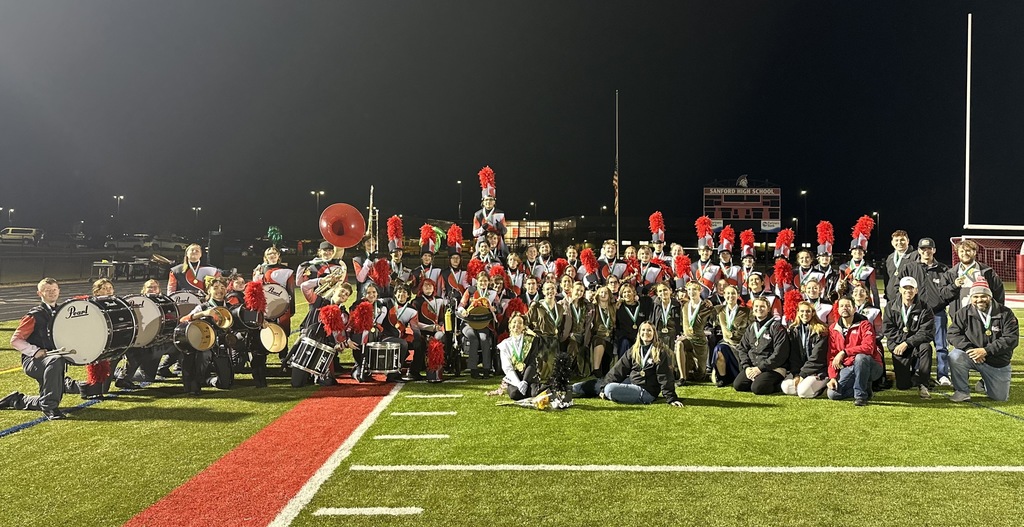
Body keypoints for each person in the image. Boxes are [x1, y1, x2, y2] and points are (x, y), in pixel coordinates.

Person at [3, 278, 100, 419]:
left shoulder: (63, 312)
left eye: (54, 289)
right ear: (39, 293)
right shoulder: (34, 315)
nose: (52, 293)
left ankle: (17, 400)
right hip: (34, 361)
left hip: (54, 362)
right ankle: (50, 409)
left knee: (52, 394)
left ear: (59, 291)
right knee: (55, 362)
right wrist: (35, 351)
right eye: (47, 290)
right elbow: (16, 340)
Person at [573, 321, 684, 406]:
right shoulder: (634, 350)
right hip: (633, 382)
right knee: (601, 383)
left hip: (646, 391)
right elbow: (618, 369)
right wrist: (602, 387)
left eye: (649, 330)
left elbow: (664, 376)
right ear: (639, 333)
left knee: (610, 389)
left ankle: (605, 391)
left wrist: (671, 398)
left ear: (654, 333)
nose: (646, 333)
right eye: (643, 330)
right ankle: (568, 389)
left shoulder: (660, 351)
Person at [947, 279, 1018, 403]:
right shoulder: (963, 313)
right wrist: (969, 349)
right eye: (976, 296)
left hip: (997, 361)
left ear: (989, 296)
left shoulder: (1005, 313)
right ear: (971, 297)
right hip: (972, 356)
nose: (979, 300)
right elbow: (953, 334)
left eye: (983, 296)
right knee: (955, 356)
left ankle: (984, 382)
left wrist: (986, 351)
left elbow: (1011, 339)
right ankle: (962, 392)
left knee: (999, 398)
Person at [898, 237, 953, 385]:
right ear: (918, 250)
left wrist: (942, 303)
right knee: (918, 344)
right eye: (923, 249)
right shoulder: (910, 267)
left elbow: (948, 291)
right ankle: (918, 372)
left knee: (941, 346)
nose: (926, 251)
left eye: (929, 249)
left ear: (934, 250)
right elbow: (900, 288)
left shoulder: (943, 269)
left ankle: (943, 374)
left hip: (937, 312)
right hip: (918, 313)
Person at [179, 277, 234, 394]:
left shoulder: (229, 307)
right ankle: (196, 382)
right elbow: (183, 320)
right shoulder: (203, 307)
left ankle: (208, 380)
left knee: (225, 384)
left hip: (221, 348)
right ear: (209, 290)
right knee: (203, 355)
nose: (220, 291)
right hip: (205, 345)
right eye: (215, 288)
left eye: (223, 288)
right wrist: (205, 313)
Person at [882, 276, 935, 398]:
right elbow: (888, 329)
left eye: (911, 288)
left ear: (916, 290)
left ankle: (924, 384)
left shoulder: (925, 308)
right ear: (900, 290)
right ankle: (914, 376)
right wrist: (902, 342)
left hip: (916, 345)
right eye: (905, 288)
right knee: (903, 385)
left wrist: (907, 343)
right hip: (898, 346)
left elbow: (926, 332)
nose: (908, 291)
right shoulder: (890, 307)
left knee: (926, 347)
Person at [825, 297, 883, 406]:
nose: (844, 308)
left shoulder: (865, 324)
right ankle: (865, 387)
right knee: (833, 394)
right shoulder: (833, 328)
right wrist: (832, 377)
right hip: (849, 366)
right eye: (841, 306)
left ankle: (860, 396)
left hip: (872, 365)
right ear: (837, 310)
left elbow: (869, 348)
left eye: (848, 306)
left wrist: (844, 352)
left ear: (854, 309)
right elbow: (832, 355)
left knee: (861, 357)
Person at [733, 297, 790, 395]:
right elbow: (742, 348)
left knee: (758, 388)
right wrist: (746, 367)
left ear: (768, 309)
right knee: (738, 385)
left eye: (762, 306)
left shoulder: (776, 327)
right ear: (753, 309)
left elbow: (780, 353)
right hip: (753, 367)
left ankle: (778, 384)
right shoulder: (751, 327)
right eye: (756, 306)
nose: (759, 309)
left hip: (773, 368)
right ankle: (758, 379)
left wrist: (760, 368)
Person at [941, 238, 1006, 314]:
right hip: (960, 315)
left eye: (968, 250)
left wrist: (997, 311)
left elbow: (999, 294)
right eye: (961, 251)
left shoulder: (987, 272)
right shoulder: (950, 273)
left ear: (974, 252)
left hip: (982, 314)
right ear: (957, 253)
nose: (965, 253)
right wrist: (954, 286)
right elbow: (943, 295)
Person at [781, 301, 829, 398]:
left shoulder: (821, 330)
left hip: (818, 370)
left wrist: (803, 374)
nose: (805, 314)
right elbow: (793, 356)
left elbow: (817, 357)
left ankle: (823, 388)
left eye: (808, 311)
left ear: (813, 313)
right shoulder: (793, 330)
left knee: (803, 392)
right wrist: (796, 374)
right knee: (786, 387)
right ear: (798, 312)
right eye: (802, 311)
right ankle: (807, 385)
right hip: (801, 370)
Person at [458, 271, 499, 378]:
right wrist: (463, 311)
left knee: (484, 339)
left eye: (485, 281)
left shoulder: (492, 293)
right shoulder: (470, 291)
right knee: (473, 339)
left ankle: (486, 369)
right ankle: (473, 369)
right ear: (477, 281)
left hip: (483, 323)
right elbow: (460, 306)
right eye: (481, 281)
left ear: (489, 281)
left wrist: (495, 308)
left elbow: (500, 307)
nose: (483, 283)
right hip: (468, 323)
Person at [526, 281, 568, 385]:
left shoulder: (560, 308)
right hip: (541, 339)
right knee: (542, 364)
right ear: (543, 291)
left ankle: (552, 380)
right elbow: (527, 320)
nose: (550, 291)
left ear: (556, 291)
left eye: (552, 288)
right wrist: (532, 333)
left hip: (553, 339)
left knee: (553, 364)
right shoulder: (537, 305)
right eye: (548, 289)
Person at [710, 285, 750, 387]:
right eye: (728, 293)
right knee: (719, 349)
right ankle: (723, 378)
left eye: (733, 293)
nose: (730, 296)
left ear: (738, 295)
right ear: (724, 295)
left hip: (742, 346)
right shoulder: (718, 310)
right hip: (727, 344)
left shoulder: (746, 311)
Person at [253, 246, 296, 336]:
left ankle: (283, 349)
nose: (272, 255)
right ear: (266, 257)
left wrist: (291, 309)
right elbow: (255, 288)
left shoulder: (286, 270)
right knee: (266, 332)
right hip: (265, 306)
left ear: (278, 255)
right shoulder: (260, 270)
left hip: (283, 305)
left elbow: (291, 290)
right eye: (269, 254)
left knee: (282, 332)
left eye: (274, 253)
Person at [497, 313, 541, 400]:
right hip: (514, 378)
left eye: (520, 323)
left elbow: (532, 363)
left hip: (528, 376)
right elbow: (507, 368)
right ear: (509, 325)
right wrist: (518, 383)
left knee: (535, 393)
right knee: (515, 394)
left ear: (524, 326)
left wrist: (524, 381)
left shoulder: (531, 340)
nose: (516, 325)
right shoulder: (505, 344)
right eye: (514, 322)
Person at [677, 280, 713, 383]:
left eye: (694, 289)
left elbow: (713, 323)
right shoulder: (684, 305)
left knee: (699, 376)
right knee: (679, 344)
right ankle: (682, 377)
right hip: (687, 339)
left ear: (700, 290)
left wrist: (707, 332)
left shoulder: (706, 306)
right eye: (689, 289)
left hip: (700, 342)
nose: (691, 292)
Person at [838, 216, 879, 307]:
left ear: (864, 253)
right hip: (849, 303)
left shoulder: (869, 268)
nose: (858, 252)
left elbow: (874, 290)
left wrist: (877, 308)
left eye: (861, 251)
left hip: (865, 302)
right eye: (855, 250)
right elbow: (840, 290)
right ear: (851, 252)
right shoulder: (843, 267)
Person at [614, 283, 652, 360]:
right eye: (624, 292)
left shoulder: (642, 305)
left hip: (640, 336)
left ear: (634, 293)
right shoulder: (618, 307)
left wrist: (639, 298)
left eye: (629, 292)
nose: (627, 294)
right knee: (625, 343)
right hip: (625, 337)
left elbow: (649, 299)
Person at [563, 281, 593, 376]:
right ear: (571, 289)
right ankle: (566, 370)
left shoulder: (586, 306)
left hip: (582, 335)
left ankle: (576, 371)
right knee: (573, 345)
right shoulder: (564, 303)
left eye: (581, 291)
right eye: (577, 290)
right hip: (568, 335)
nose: (579, 293)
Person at [883, 230, 918, 305]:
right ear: (892, 243)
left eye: (902, 240)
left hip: (909, 299)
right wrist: (886, 294)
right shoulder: (890, 258)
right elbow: (887, 278)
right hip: (891, 298)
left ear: (908, 241)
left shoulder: (915, 256)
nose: (899, 243)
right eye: (896, 240)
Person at [472, 165, 506, 242]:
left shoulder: (500, 213)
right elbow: (474, 233)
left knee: (504, 252)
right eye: (486, 200)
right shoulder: (478, 214)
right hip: (483, 242)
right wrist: (482, 228)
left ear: (494, 202)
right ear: (483, 202)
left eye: (491, 200)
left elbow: (505, 231)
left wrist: (501, 228)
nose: (488, 202)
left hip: (496, 240)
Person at [590, 286, 617, 377]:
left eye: (606, 293)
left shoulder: (613, 307)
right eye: (601, 292)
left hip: (610, 337)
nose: (603, 294)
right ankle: (596, 370)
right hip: (598, 336)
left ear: (609, 295)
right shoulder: (593, 307)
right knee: (600, 342)